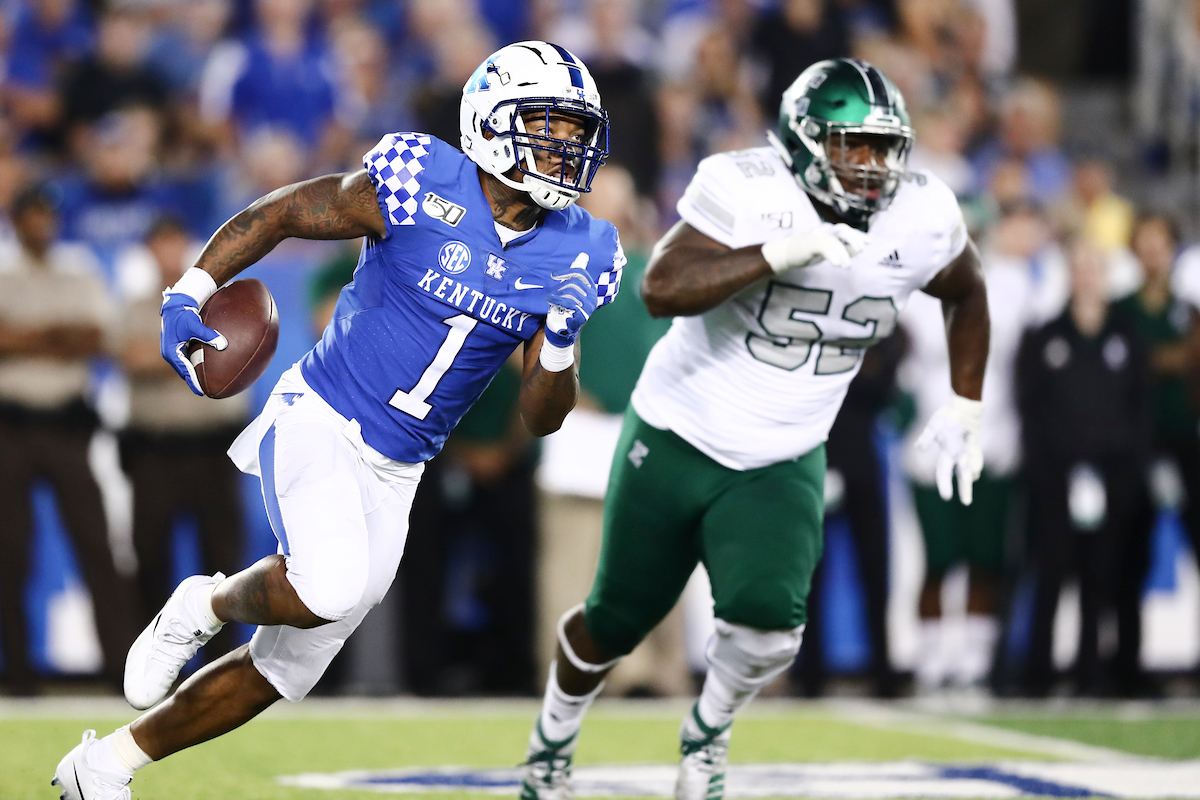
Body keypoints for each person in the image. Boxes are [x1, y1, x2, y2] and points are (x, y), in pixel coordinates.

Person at [53, 40, 624, 800]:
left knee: (285, 670)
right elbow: (286, 210)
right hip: (323, 414)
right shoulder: (421, 180)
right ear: (491, 124)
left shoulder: (584, 249)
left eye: (577, 132)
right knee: (326, 585)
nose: (566, 148)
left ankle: (103, 766)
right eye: (548, 127)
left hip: (402, 466)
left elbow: (543, 418)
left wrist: (558, 346)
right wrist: (191, 289)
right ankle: (204, 603)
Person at [520, 57, 990, 800]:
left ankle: (706, 735)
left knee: (772, 630)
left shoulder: (923, 213)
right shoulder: (746, 186)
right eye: (853, 145)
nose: (871, 166)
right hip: (678, 431)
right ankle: (553, 736)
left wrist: (966, 401)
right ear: (804, 142)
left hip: (785, 450)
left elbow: (967, 290)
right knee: (617, 619)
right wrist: (776, 254)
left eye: (883, 148)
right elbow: (661, 288)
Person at [0, 183, 138, 696]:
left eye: (48, 215)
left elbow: (97, 338)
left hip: (66, 423)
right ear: (17, 221)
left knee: (96, 544)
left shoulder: (79, 270)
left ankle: (123, 671)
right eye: (33, 215)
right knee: (10, 551)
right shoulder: (4, 271)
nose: (42, 223)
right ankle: (17, 675)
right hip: (10, 425)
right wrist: (57, 335)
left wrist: (23, 336)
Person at [1016, 239, 1150, 697]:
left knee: (1102, 576)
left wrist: (1130, 469)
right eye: (1080, 268)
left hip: (1112, 476)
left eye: (1095, 268)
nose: (1087, 277)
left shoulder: (1126, 335)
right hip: (1057, 478)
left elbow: (1140, 407)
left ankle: (1092, 671)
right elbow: (1030, 409)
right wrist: (1043, 470)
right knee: (1051, 574)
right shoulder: (1046, 335)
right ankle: (1038, 672)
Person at [115, 217, 249, 662]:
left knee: (222, 559)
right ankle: (149, 659)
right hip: (156, 448)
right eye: (161, 243)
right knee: (151, 555)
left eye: (175, 242)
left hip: (212, 446)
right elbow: (130, 358)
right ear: (148, 250)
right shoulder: (138, 306)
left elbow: (240, 357)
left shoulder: (218, 304)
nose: (169, 252)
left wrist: (167, 352)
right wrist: (195, 350)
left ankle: (224, 663)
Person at [1111, 214, 1196, 697]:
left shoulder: (1188, 310)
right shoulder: (1121, 310)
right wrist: (1170, 359)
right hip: (1135, 445)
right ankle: (1127, 665)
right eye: (1144, 246)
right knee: (1130, 555)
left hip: (1186, 442)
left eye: (1160, 245)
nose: (1152, 255)